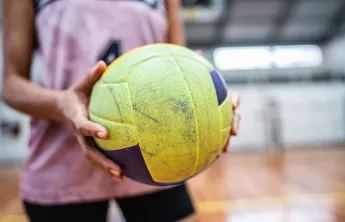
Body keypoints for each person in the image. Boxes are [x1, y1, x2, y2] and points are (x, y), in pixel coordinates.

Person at [1, 0, 241, 221]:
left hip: (157, 158)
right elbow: (11, 84)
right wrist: (62, 104)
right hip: (61, 164)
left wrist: (209, 99)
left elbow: (180, 60)